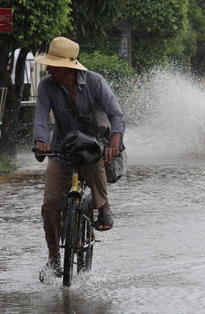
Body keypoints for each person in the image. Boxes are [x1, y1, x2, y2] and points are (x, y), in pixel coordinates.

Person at [33, 37, 125, 277]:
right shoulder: (46, 86)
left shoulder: (95, 82)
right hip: (62, 149)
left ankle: (103, 206)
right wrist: (40, 141)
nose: (49, 68)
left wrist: (115, 141)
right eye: (49, 64)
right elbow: (41, 116)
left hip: (93, 146)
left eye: (54, 65)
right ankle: (54, 259)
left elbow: (116, 114)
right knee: (50, 205)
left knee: (94, 164)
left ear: (68, 66)